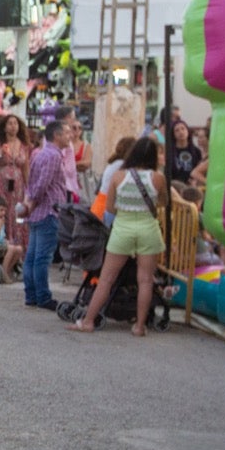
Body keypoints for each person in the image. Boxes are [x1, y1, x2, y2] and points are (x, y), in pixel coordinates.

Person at [71, 137, 166, 335]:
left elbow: (110, 207)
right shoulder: (158, 178)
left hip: (123, 229)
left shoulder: (118, 176)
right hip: (148, 229)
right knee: (146, 280)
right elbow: (163, 202)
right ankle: (140, 326)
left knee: (106, 279)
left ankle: (88, 321)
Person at [21, 120, 72, 311]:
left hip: (38, 212)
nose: (70, 136)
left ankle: (32, 294)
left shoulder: (41, 154)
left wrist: (29, 204)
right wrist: (32, 201)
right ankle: (42, 296)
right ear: (56, 135)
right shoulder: (52, 156)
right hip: (48, 210)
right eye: (66, 132)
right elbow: (42, 184)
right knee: (41, 257)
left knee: (33, 256)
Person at [0, 113, 31, 249]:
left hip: (17, 186)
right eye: (10, 123)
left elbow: (26, 168)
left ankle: (16, 247)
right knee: (0, 212)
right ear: (4, 127)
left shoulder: (23, 145)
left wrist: (29, 189)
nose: (13, 126)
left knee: (16, 215)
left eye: (15, 123)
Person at [167, 120, 202, 185]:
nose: (181, 132)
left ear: (188, 131)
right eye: (177, 130)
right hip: (174, 186)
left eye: (183, 128)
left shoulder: (197, 151)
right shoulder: (169, 152)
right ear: (173, 134)